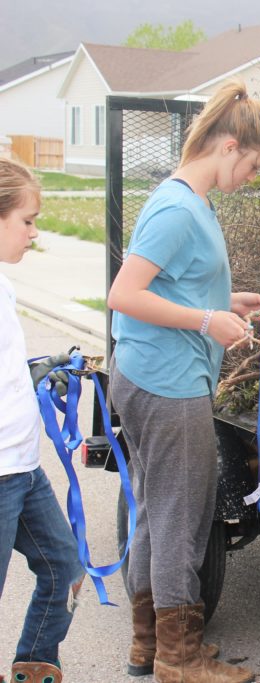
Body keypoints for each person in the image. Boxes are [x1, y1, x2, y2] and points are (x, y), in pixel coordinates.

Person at [107, 79, 260, 683]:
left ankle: (147, 646)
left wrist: (226, 300)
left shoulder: (193, 204)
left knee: (157, 513)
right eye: (255, 165)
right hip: (167, 384)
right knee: (183, 519)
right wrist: (209, 320)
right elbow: (124, 296)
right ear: (229, 146)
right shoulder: (177, 207)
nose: (252, 177)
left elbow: (171, 286)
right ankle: (181, 661)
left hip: (160, 375)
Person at [0, 158, 84, 683]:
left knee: (65, 569)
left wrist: (35, 377)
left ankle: (33, 667)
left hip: (23, 467)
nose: (34, 233)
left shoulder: (4, 286)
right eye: (27, 220)